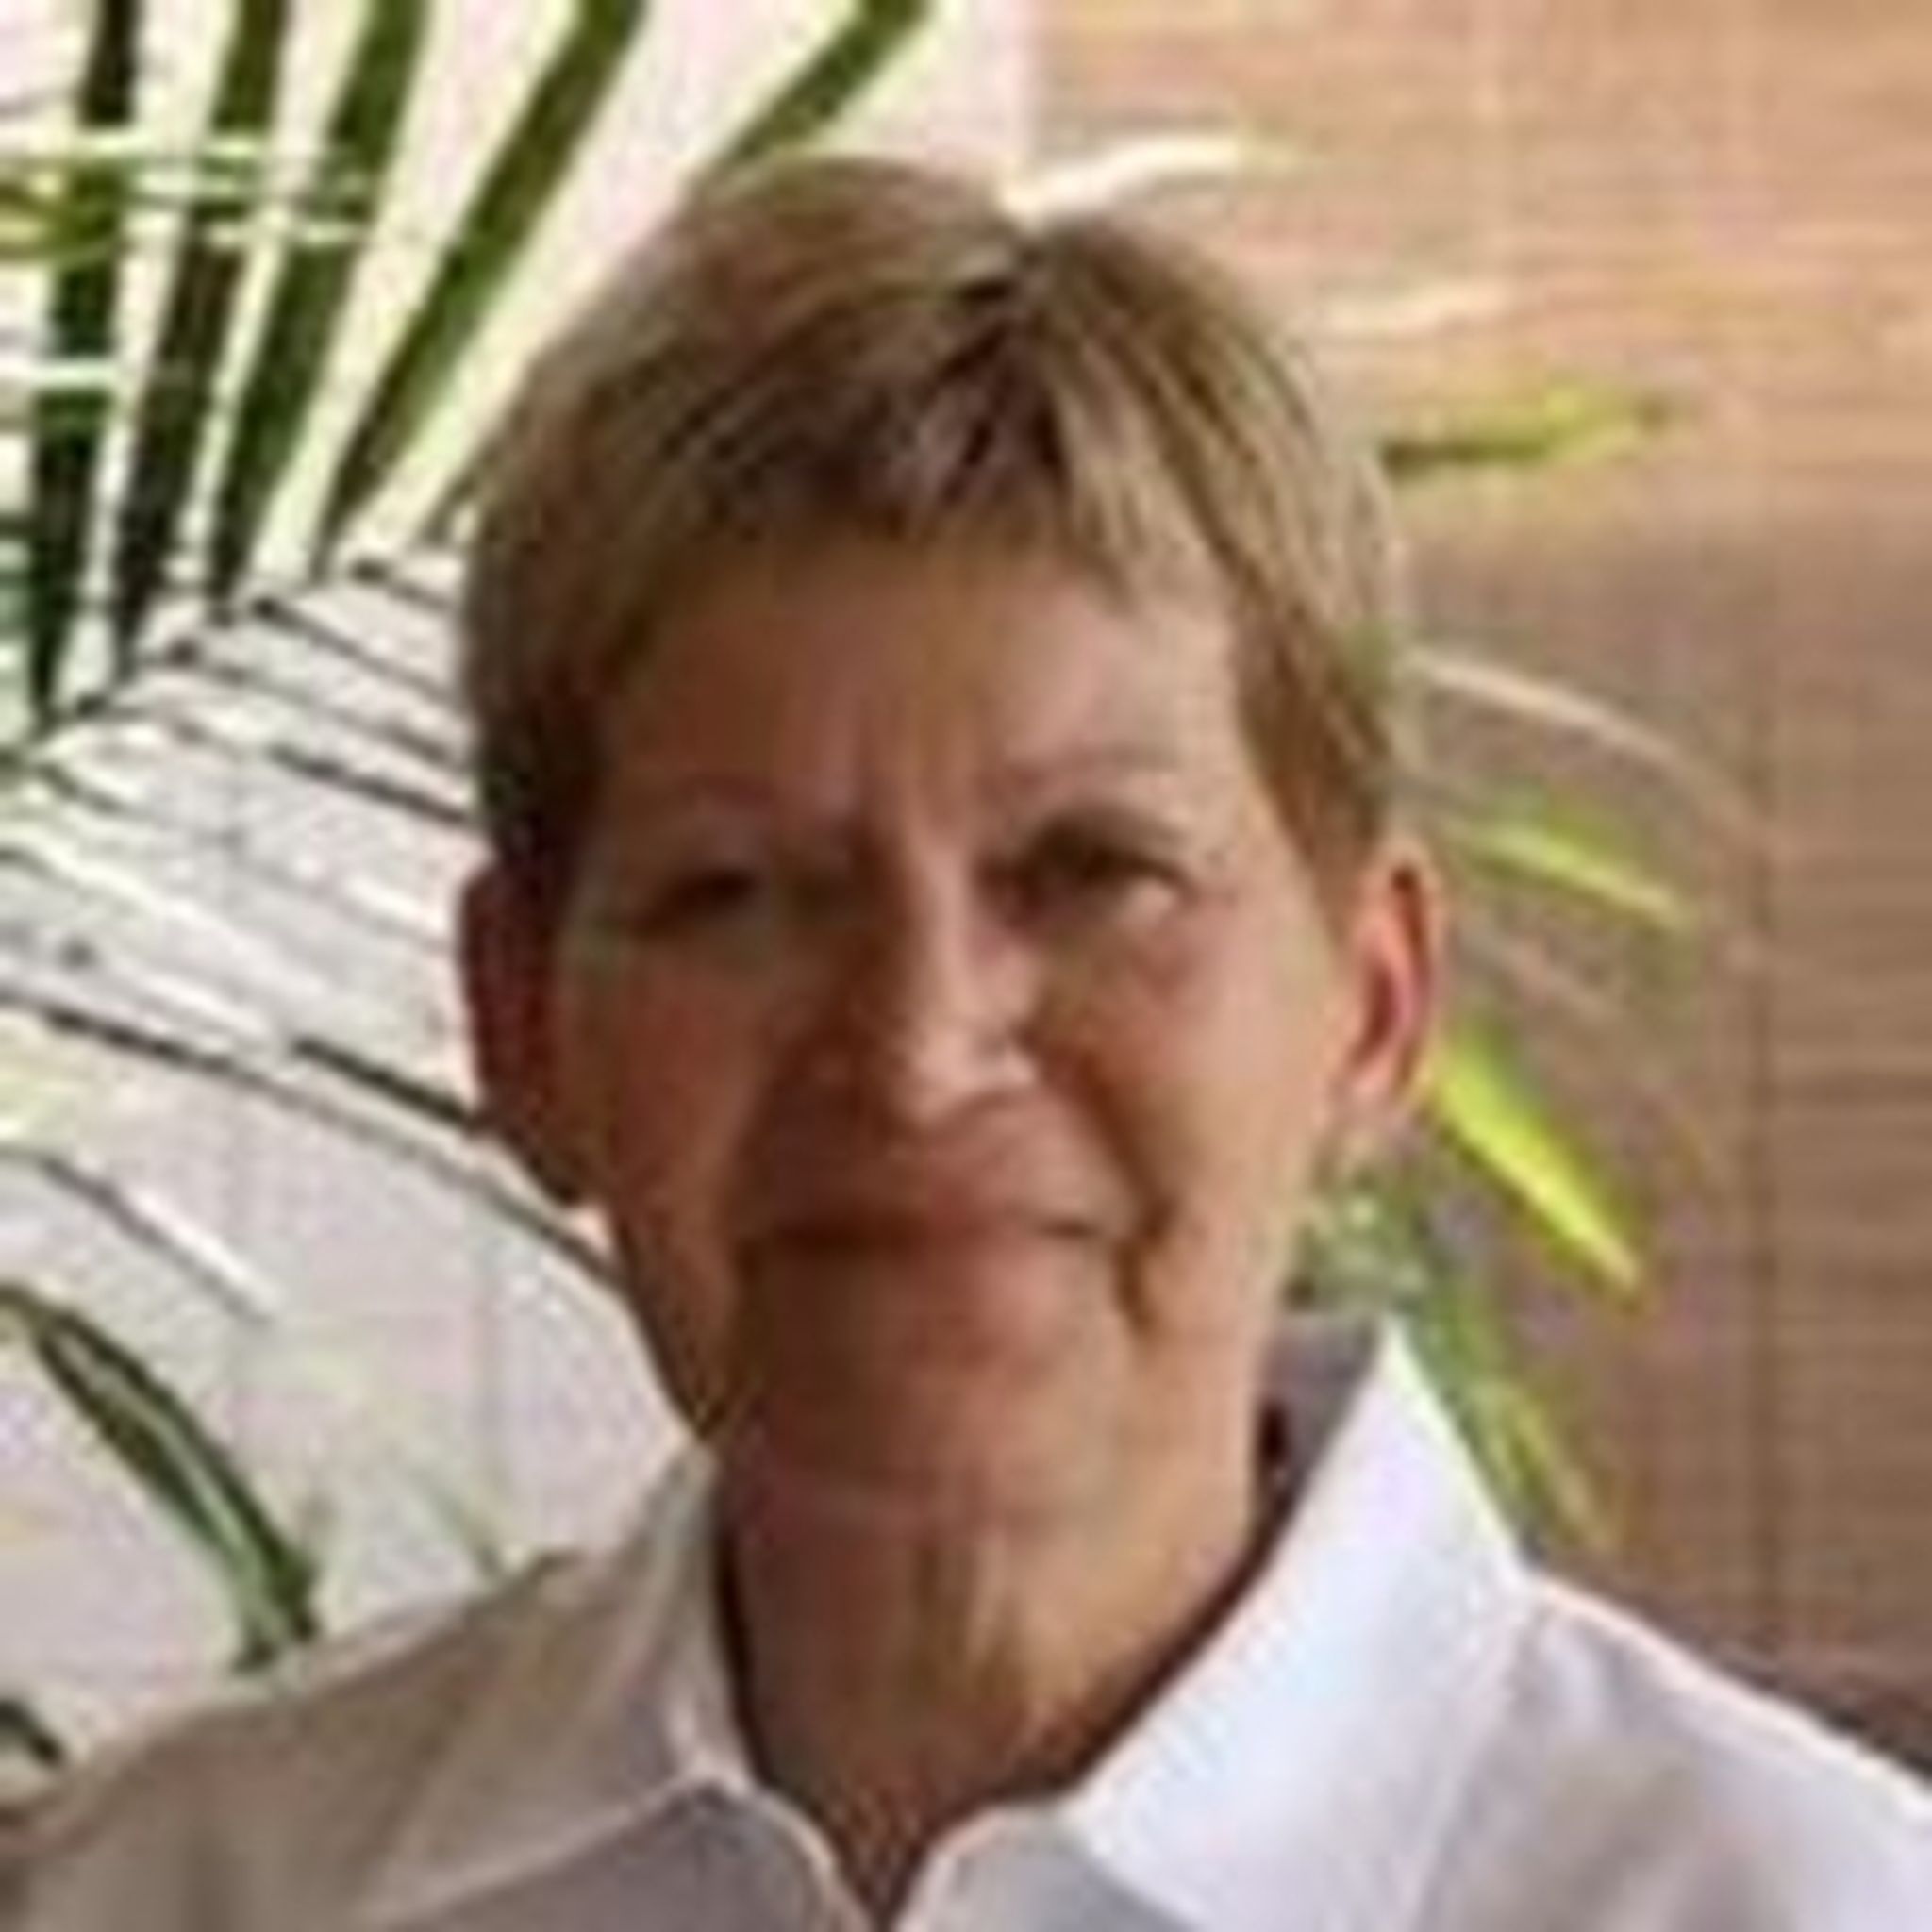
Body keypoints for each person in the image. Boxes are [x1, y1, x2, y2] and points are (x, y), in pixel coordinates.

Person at [12, 153, 1930, 1931]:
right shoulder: (169, 1894)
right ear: (518, 1029)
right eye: (736, 893)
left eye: (1093, 872)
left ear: (1372, 1006)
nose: (917, 1048)